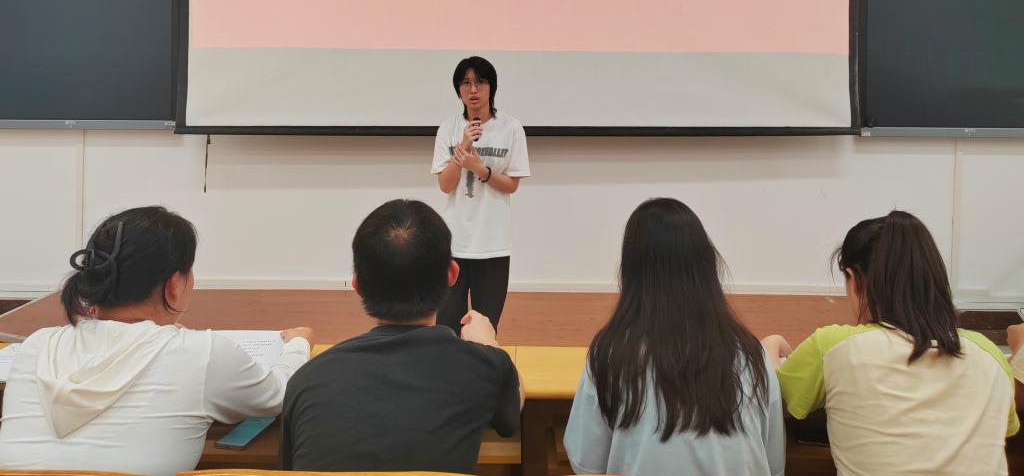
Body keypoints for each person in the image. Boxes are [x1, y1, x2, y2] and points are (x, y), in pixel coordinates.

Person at [0, 206, 312, 476]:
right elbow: (282, 395)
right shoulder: (201, 353)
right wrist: (298, 344)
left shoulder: (37, 346)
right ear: (174, 284)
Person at [763, 210, 1019, 476]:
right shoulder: (989, 353)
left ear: (854, 280)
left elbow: (775, 396)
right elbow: (1007, 427)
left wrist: (770, 345)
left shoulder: (834, 346)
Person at [280, 198, 523, 474]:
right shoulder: (484, 367)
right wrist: (489, 345)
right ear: (452, 274)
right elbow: (510, 415)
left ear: (357, 285)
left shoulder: (306, 380)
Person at [564, 198, 785, 476]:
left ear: (630, 273)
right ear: (707, 267)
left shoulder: (611, 355)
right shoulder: (752, 355)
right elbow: (774, 464)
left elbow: (586, 463)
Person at [432, 56, 530, 333]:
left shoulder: (511, 128)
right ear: (458, 90)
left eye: (480, 82)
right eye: (466, 83)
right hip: (454, 243)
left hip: (493, 243)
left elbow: (511, 185)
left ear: (491, 87)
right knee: (447, 328)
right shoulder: (448, 128)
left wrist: (480, 169)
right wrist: (463, 146)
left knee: (485, 329)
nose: (473, 89)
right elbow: (445, 185)